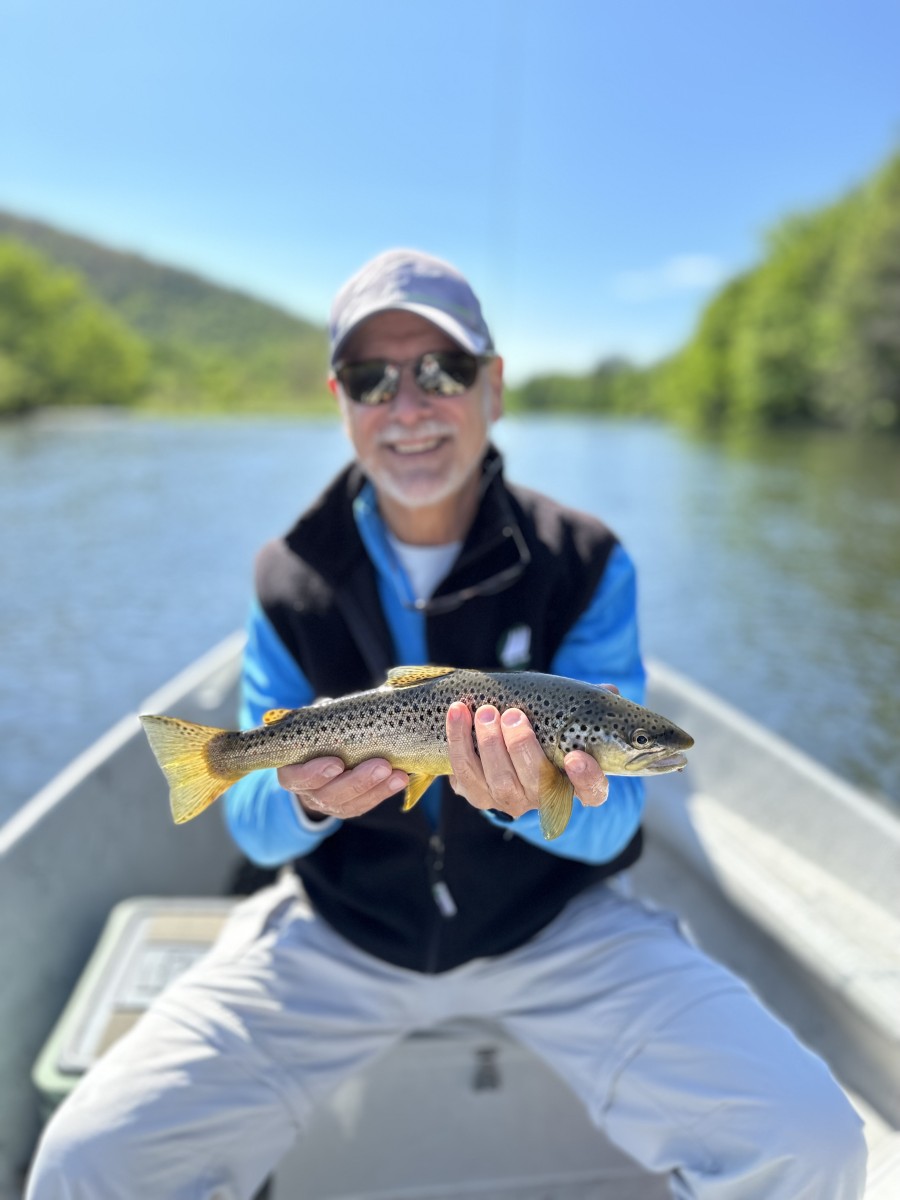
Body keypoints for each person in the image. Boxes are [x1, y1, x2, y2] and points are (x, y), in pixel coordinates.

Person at [27, 249, 867, 1199]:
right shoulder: (287, 579)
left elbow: (614, 822)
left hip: (556, 925)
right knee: (86, 1161)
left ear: (494, 387)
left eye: (443, 370)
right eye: (371, 378)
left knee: (812, 1142)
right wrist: (304, 803)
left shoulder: (585, 562)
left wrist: (527, 800)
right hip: (341, 929)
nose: (409, 405)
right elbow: (249, 826)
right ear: (339, 400)